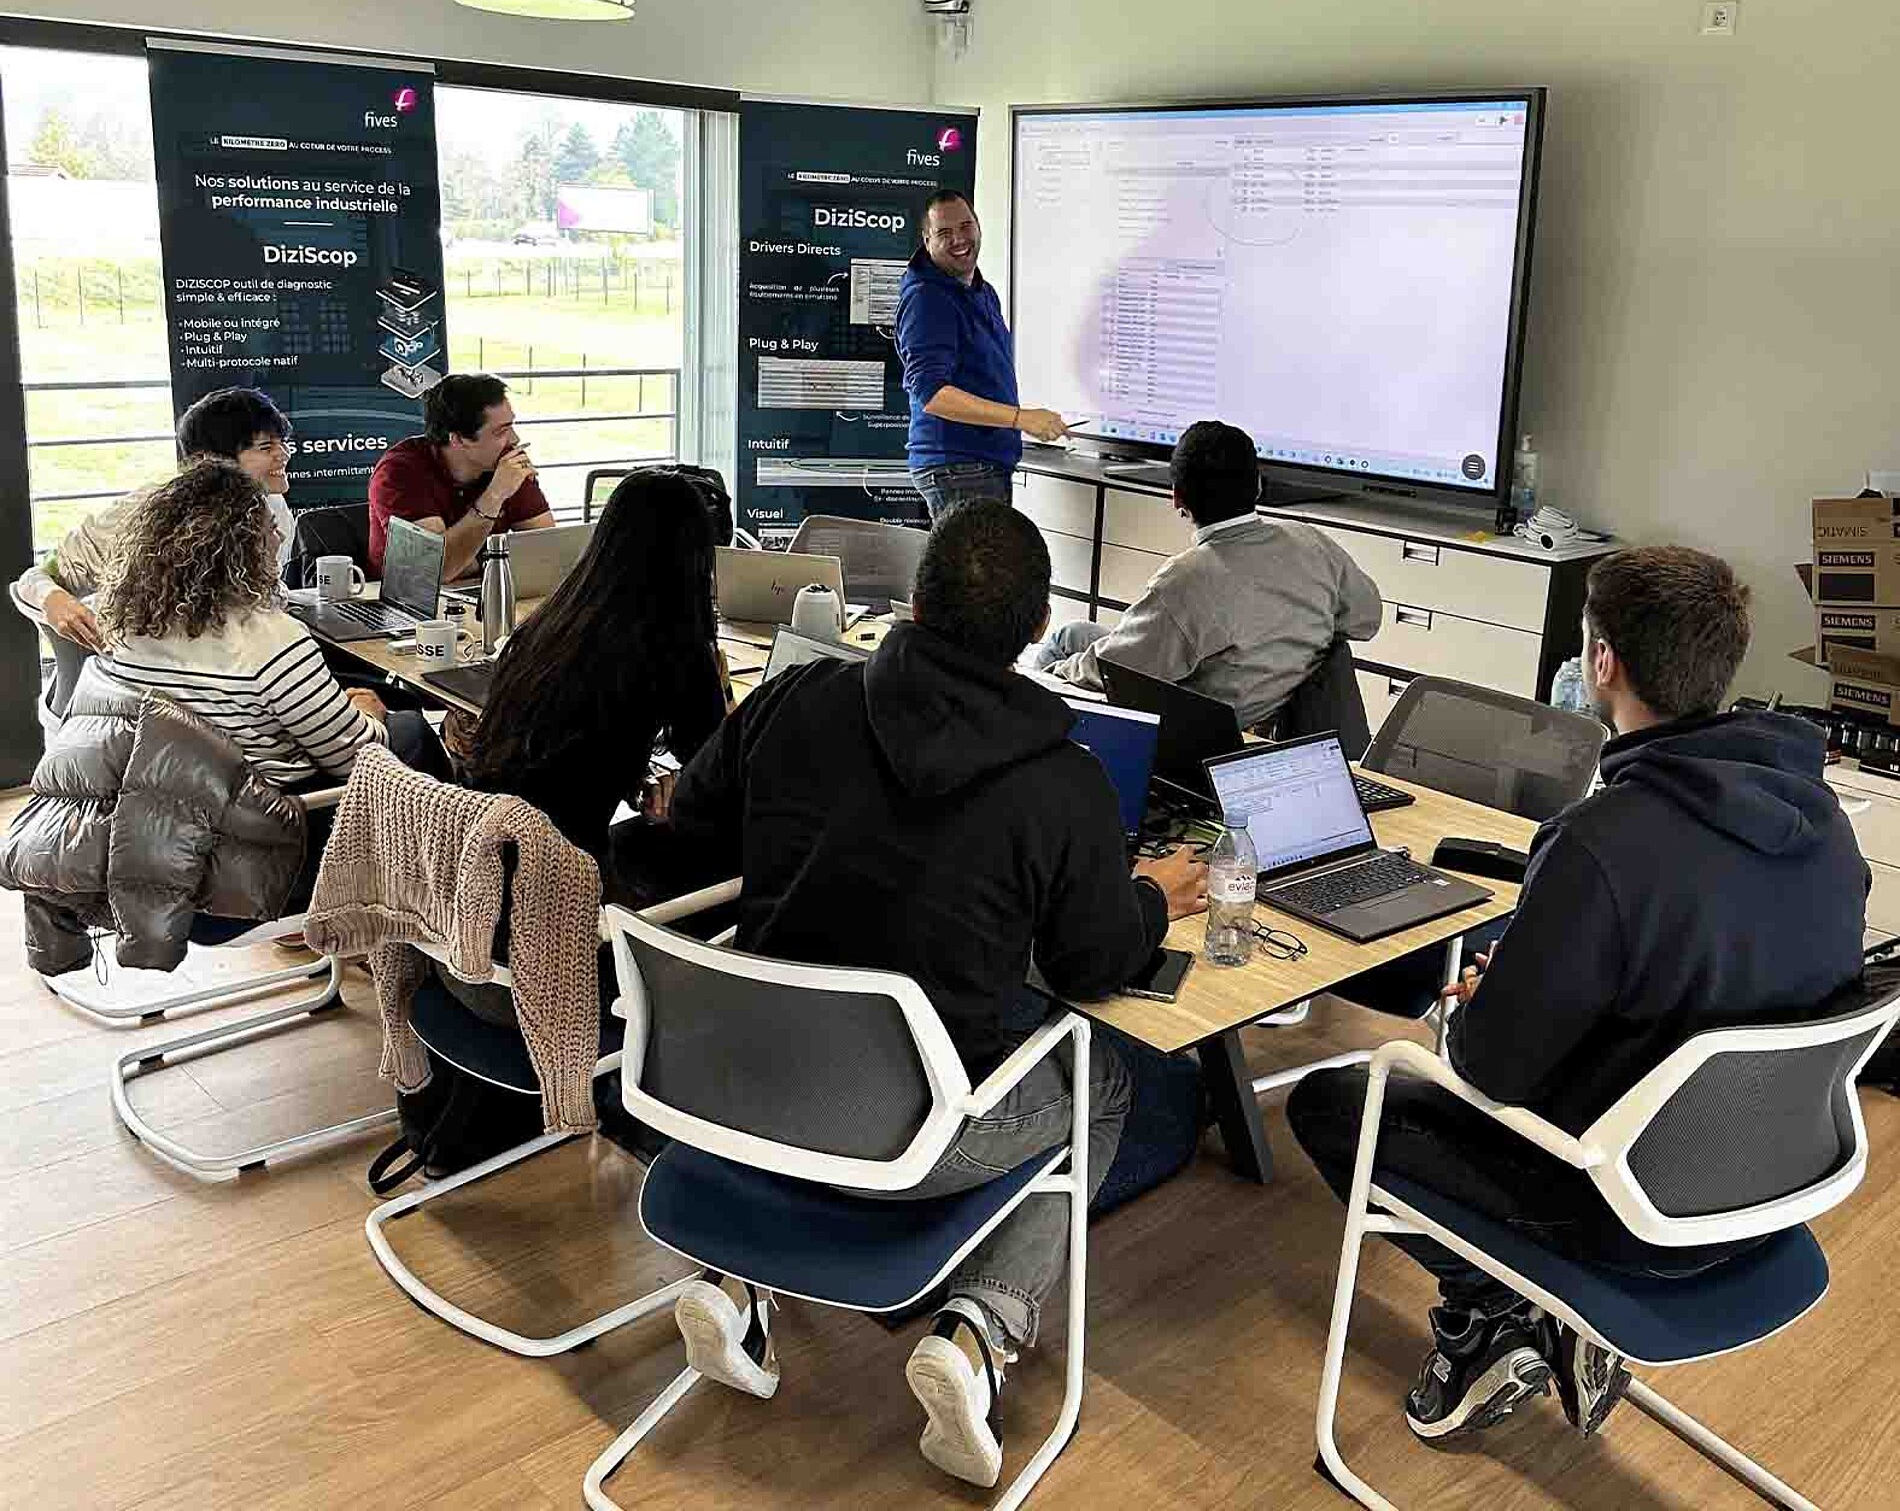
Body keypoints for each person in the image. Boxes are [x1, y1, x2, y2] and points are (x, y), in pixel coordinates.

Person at [665, 499, 1208, 1490]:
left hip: (730, 1082)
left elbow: (690, 829)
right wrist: (1151, 900)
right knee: (1108, 1079)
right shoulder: (1063, 780)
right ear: (1040, 630)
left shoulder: (796, 697)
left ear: (911, 601)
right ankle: (976, 1336)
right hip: (905, 1138)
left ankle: (735, 1282)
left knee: (830, 1035)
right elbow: (1092, 968)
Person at [1286, 545, 1869, 1447]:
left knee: (1335, 1100)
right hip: (1766, 1197)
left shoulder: (1605, 841)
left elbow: (1489, 1069)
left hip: (1627, 1204)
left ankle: (1488, 1314)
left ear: (1602, 663)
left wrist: (1482, 1005)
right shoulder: (1825, 825)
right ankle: (1523, 1319)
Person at [95, 462, 451, 897]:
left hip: (156, 851)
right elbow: (355, 760)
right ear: (238, 549)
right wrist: (366, 714)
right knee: (409, 731)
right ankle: (442, 901)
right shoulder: (269, 641)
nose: (281, 538)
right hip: (261, 863)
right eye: (267, 529)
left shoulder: (129, 631)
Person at [461, 468, 728, 897]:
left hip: (482, 862)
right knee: (730, 851)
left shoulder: (555, 622)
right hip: (557, 887)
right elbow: (717, 761)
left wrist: (632, 775)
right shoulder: (671, 644)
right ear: (694, 558)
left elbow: (567, 753)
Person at [1033, 420, 1382, 732]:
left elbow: (1113, 670)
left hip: (1191, 730)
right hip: (1263, 711)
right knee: (1073, 634)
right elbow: (1367, 620)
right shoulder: (1311, 542)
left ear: (1177, 498)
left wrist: (1053, 676)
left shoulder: (1185, 581)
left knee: (1062, 651)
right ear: (1257, 486)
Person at [16, 385, 297, 657]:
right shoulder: (150, 511)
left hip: (234, 669)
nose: (283, 454)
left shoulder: (273, 508)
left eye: (282, 443)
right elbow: (36, 577)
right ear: (212, 460)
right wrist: (52, 599)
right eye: (265, 447)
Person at [897, 190, 1069, 521]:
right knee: (976, 572)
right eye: (945, 233)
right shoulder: (927, 299)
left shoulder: (981, 290)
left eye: (966, 226)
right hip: (959, 468)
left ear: (978, 226)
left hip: (979, 466)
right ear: (926, 239)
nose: (959, 239)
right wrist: (1021, 418)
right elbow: (932, 393)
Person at [367, 373, 554, 580]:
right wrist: (494, 496)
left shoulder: (504, 462)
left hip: (480, 591)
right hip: (401, 602)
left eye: (511, 426)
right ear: (457, 439)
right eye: (501, 432)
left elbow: (547, 551)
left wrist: (475, 562)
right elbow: (436, 571)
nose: (514, 439)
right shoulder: (399, 472)